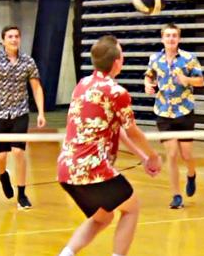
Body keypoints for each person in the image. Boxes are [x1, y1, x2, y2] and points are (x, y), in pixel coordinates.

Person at [58, 35, 162, 256]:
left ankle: (65, 254)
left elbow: (120, 131)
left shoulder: (82, 84)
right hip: (92, 170)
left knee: (102, 218)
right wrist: (153, 156)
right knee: (131, 209)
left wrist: (143, 158)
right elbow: (132, 130)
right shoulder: (117, 93)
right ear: (117, 62)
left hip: (66, 169)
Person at [0, 25, 46, 209]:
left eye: (16, 36)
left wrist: (41, 112)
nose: (14, 39)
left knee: (19, 152)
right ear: (3, 40)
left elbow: (36, 88)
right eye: (10, 36)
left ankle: (22, 195)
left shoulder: (28, 62)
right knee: (0, 158)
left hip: (20, 113)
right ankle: (3, 175)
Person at [144, 23, 204, 209]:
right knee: (171, 154)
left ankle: (191, 174)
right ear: (162, 38)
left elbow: (201, 80)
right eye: (167, 35)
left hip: (184, 110)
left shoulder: (189, 58)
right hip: (163, 111)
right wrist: (147, 85)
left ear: (179, 38)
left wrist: (187, 80)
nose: (171, 39)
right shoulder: (155, 58)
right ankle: (177, 195)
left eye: (174, 36)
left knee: (186, 154)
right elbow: (149, 76)